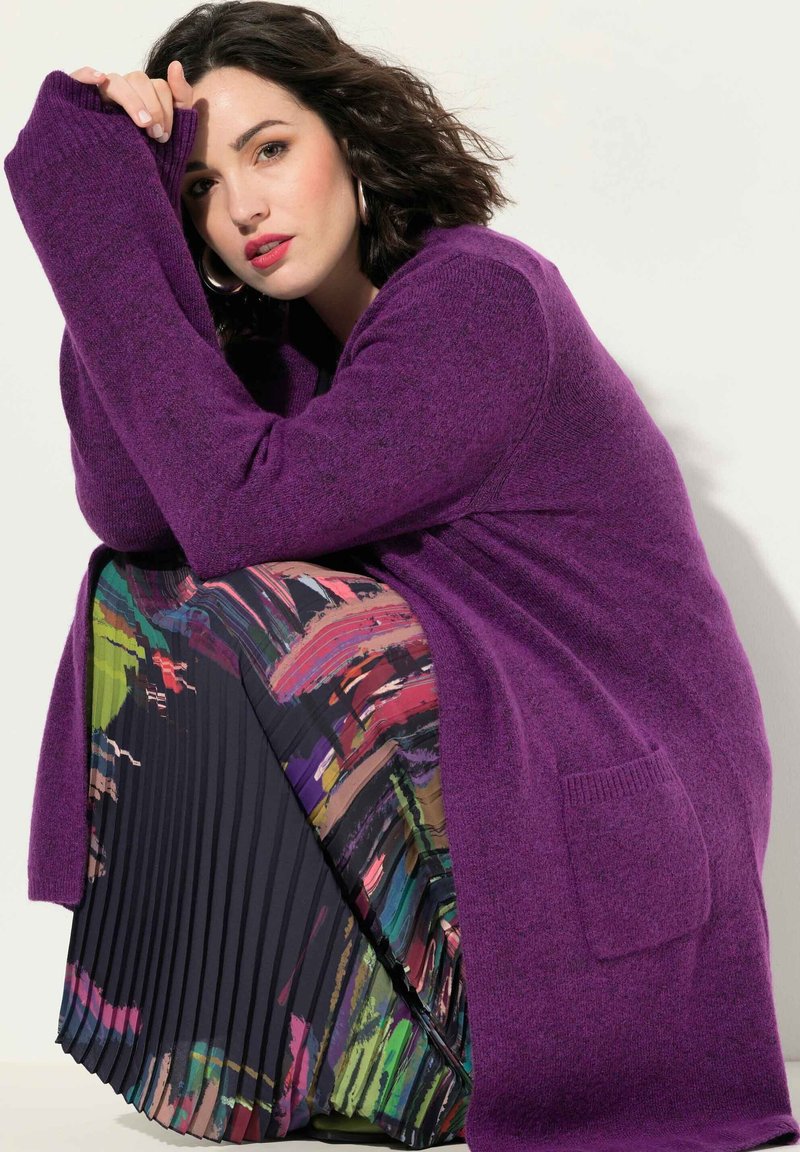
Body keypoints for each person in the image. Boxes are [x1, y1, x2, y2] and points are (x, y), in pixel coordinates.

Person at [5, 3, 798, 1151]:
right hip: (480, 746)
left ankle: (376, 1043)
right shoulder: (284, 356)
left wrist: (93, 209)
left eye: (270, 149)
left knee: (261, 609)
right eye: (199, 188)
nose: (243, 207)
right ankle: (265, 1039)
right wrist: (122, 232)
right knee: (146, 595)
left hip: (603, 788)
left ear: (351, 137)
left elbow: (237, 519)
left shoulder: (478, 299)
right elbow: (135, 516)